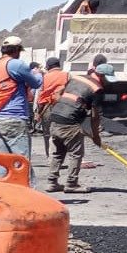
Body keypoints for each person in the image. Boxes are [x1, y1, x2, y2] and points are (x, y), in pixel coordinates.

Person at [46, 63, 112, 193]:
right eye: (107, 78)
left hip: (55, 117)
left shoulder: (77, 78)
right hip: (69, 122)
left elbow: (57, 93)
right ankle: (71, 183)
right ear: (101, 75)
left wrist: (65, 108)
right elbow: (95, 116)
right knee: (76, 154)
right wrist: (96, 137)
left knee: (58, 152)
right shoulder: (97, 89)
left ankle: (52, 182)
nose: (108, 82)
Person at [0, 36, 44, 159]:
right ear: (17, 50)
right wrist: (38, 74)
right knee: (21, 163)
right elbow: (36, 83)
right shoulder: (16, 64)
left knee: (4, 162)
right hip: (16, 118)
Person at [35, 56, 69, 154]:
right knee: (62, 133)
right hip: (64, 108)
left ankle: (50, 157)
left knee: (48, 134)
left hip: (48, 108)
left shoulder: (45, 77)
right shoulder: (67, 75)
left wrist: (38, 113)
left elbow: (41, 98)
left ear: (48, 66)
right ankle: (59, 157)